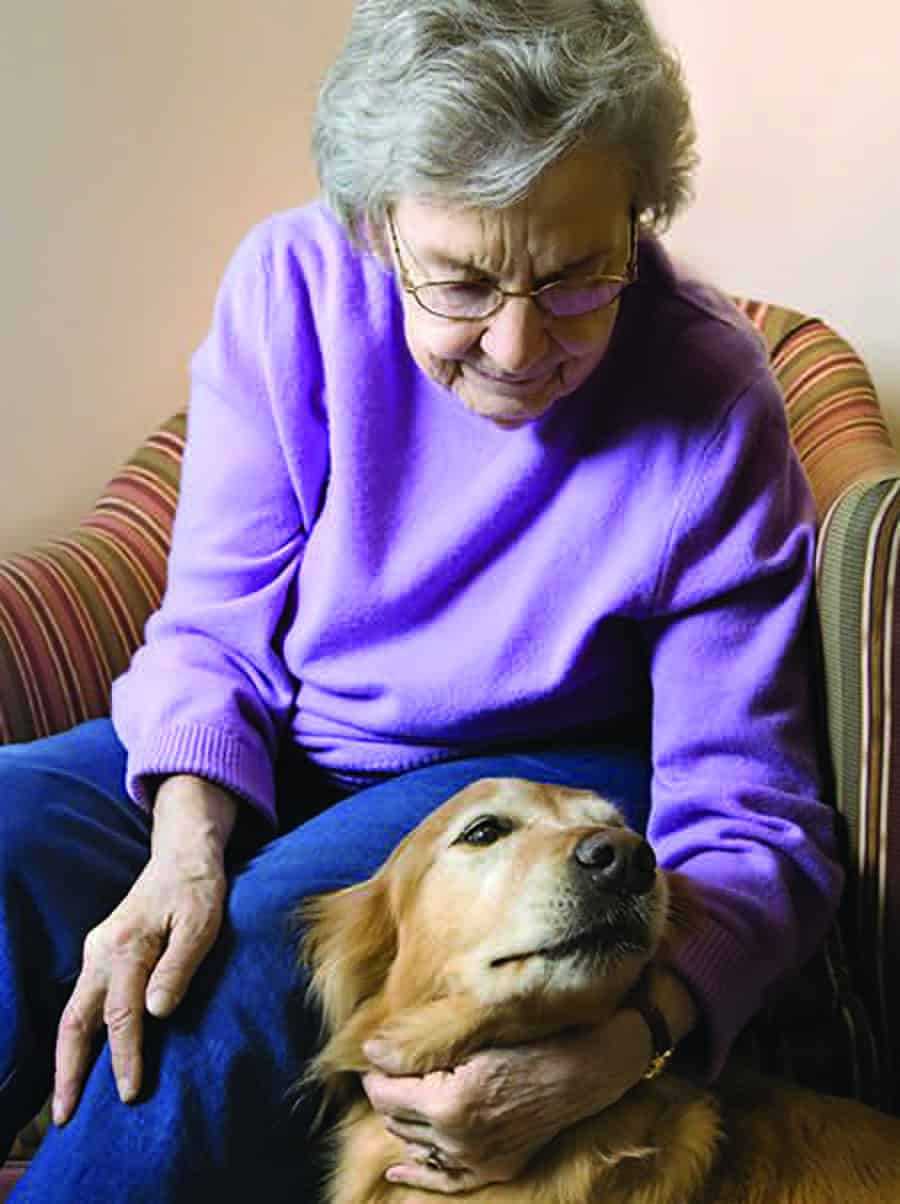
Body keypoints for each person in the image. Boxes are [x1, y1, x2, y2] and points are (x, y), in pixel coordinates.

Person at [0, 0, 844, 1198]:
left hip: (526, 771)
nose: (514, 346)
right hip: (282, 739)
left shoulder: (712, 395)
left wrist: (635, 1037)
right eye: (457, 282)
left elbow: (750, 802)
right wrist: (184, 848)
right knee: (11, 828)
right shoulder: (292, 286)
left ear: (638, 219)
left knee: (239, 967)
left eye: (572, 279)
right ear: (373, 229)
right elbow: (212, 623)